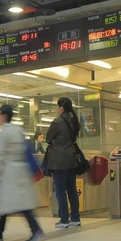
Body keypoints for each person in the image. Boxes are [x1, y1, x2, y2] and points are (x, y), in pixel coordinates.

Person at [0, 104, 44, 241]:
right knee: (8, 203)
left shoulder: (4, 133)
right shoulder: (18, 131)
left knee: (17, 204)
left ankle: (35, 230)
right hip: (19, 171)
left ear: (4, 116)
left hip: (9, 173)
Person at [46, 97, 80, 229]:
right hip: (71, 159)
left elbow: (48, 138)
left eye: (57, 106)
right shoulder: (74, 120)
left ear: (61, 108)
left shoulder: (57, 121)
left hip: (59, 161)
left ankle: (64, 219)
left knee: (60, 190)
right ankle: (75, 218)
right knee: (71, 189)